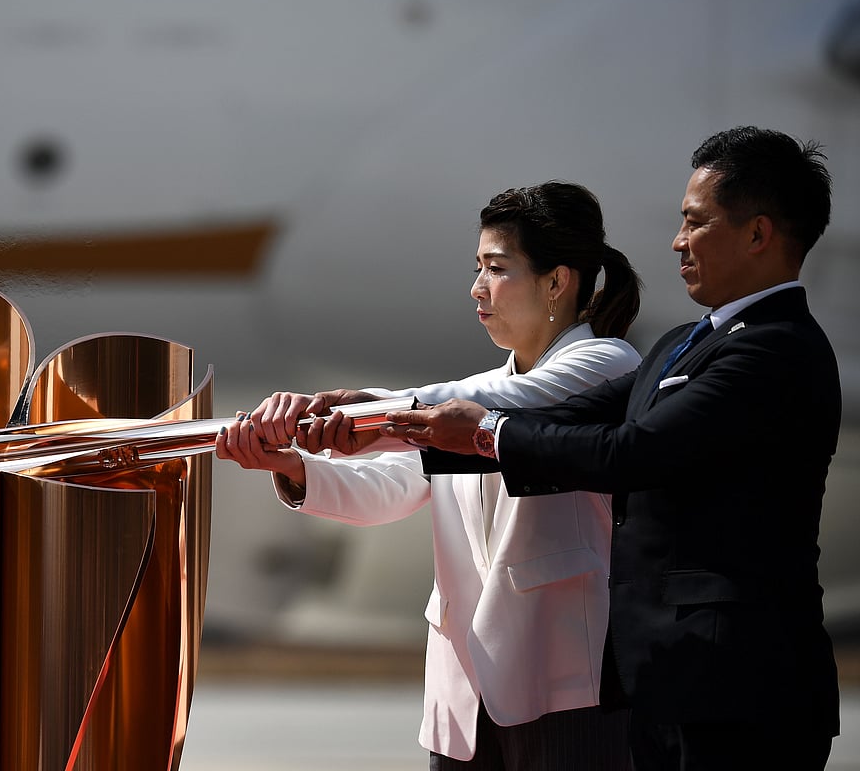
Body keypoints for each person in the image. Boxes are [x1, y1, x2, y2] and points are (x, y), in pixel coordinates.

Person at [378, 126, 841, 770]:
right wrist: (394, 421)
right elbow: (564, 414)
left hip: (741, 688)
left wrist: (480, 431)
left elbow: (634, 451)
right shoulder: (688, 339)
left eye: (696, 222)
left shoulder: (775, 348)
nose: (678, 242)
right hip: (665, 682)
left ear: (758, 233)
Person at [217, 180, 644, 769]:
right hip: (466, 686)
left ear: (556, 281)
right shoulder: (464, 397)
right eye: (477, 268)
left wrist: (366, 408)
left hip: (565, 678)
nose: (477, 290)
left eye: (496, 269)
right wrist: (292, 466)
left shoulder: (607, 366)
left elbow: (507, 403)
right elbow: (392, 486)